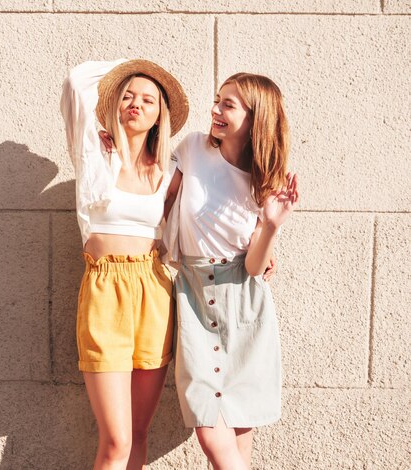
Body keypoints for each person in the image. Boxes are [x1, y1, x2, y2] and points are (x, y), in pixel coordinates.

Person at [163, 72, 299, 469]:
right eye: (217, 100)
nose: (216, 110)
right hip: (193, 295)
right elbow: (158, 197)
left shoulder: (265, 180)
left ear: (256, 117)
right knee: (209, 424)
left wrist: (272, 226)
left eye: (228, 104)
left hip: (244, 303)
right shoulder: (192, 149)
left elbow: (255, 266)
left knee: (240, 431)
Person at [60, 59, 189, 469]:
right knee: (115, 440)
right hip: (104, 290)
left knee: (137, 436)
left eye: (148, 99)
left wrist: (261, 241)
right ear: (116, 105)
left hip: (152, 291)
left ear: (159, 116)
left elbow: (200, 223)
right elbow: (76, 80)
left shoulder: (170, 172)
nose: (136, 103)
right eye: (128, 95)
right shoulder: (96, 157)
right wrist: (131, 66)